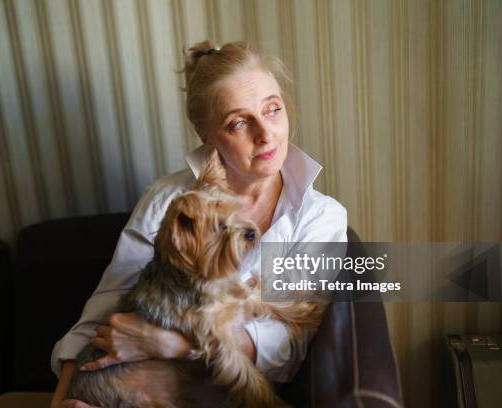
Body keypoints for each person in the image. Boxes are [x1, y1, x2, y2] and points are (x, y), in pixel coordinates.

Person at [50, 40, 347, 408]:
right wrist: (63, 402)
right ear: (205, 135)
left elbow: (287, 345)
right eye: (239, 123)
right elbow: (101, 314)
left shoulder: (319, 218)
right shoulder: (166, 200)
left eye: (273, 109)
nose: (266, 134)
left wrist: (172, 345)